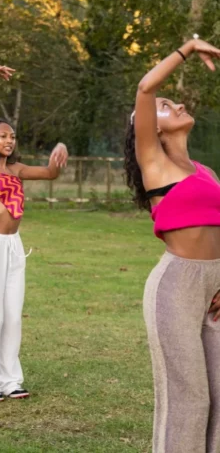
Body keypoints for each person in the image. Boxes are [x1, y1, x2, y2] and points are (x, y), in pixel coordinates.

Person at [124, 37, 220, 453]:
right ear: (152, 127)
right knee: (188, 398)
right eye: (166, 107)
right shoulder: (154, 161)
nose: (176, 105)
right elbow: (146, 88)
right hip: (176, 284)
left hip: (215, 286)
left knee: (218, 398)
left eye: (173, 102)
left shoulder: (206, 171)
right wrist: (189, 47)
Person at [0, 65, 68, 403]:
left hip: (13, 246)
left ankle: (9, 379)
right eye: (2, 136)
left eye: (12, 136)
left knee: (11, 315)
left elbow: (51, 173)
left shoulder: (17, 170)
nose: (9, 140)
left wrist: (59, 153)